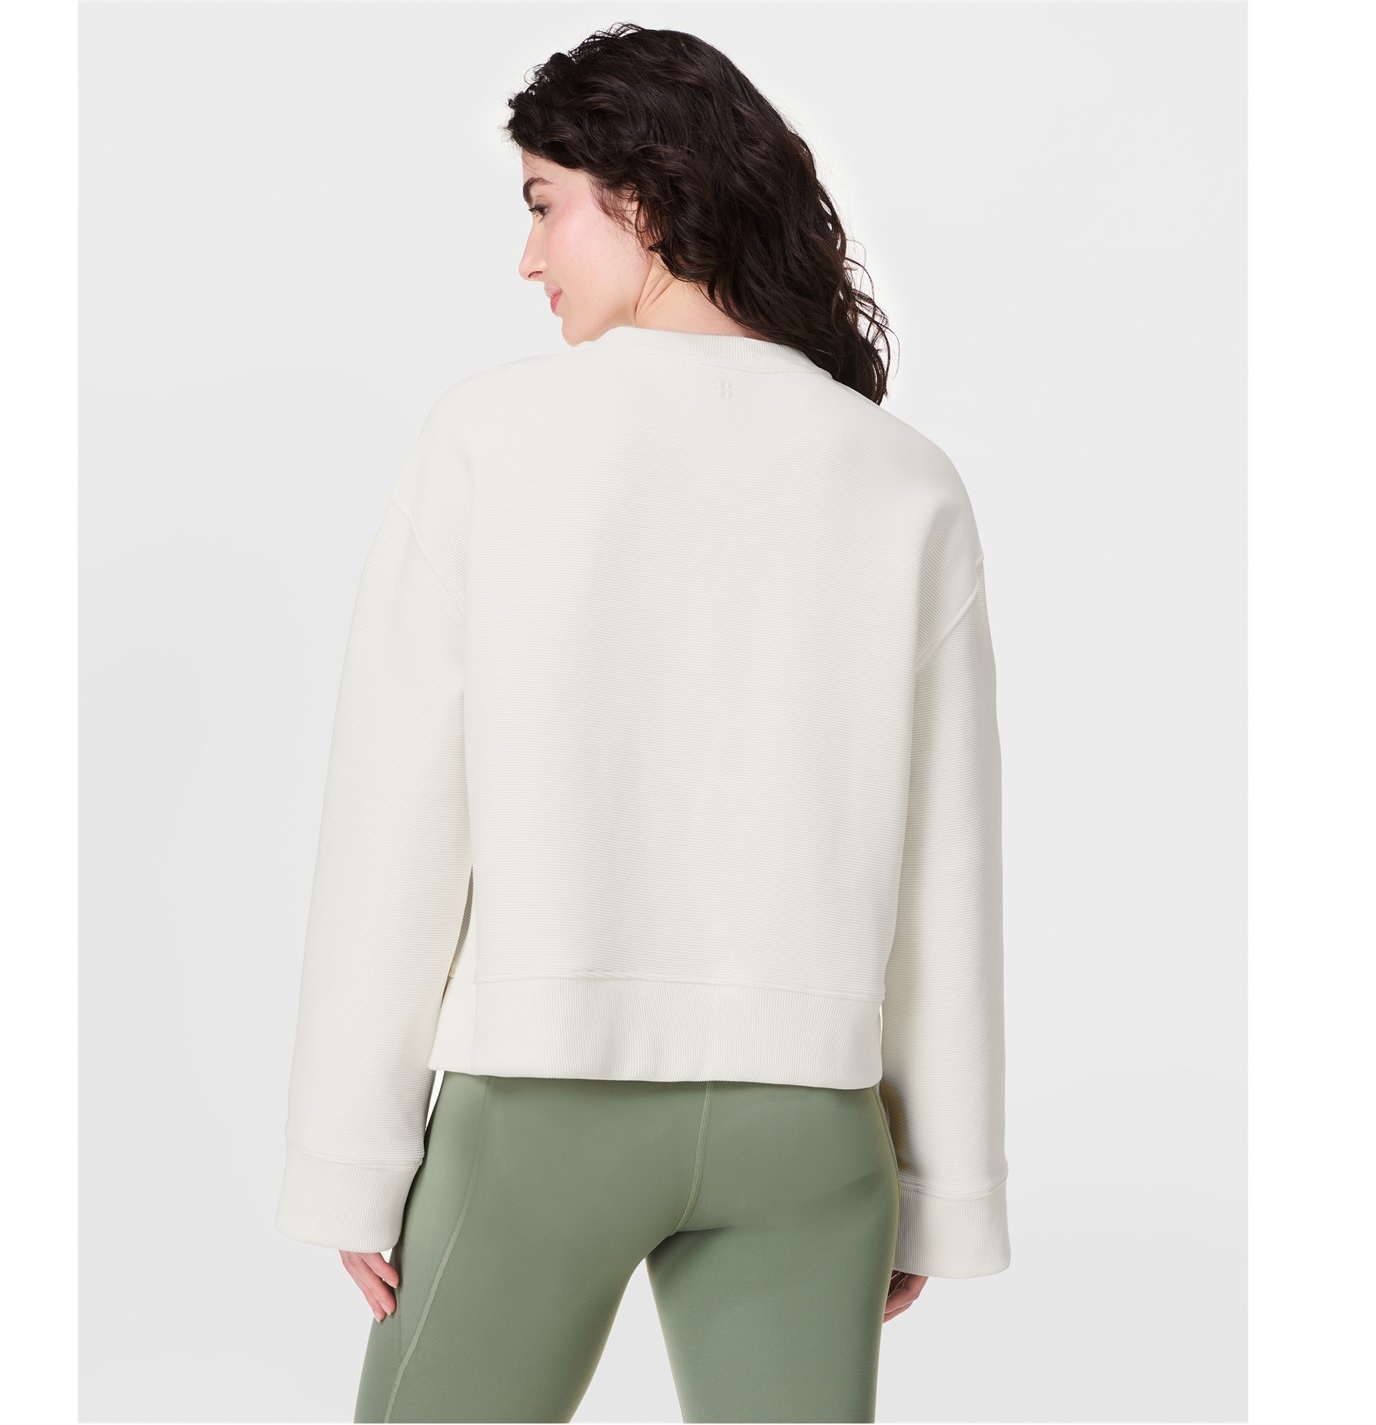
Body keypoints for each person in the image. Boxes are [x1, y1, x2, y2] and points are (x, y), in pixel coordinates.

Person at [275, 21, 1010, 1424]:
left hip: (541, 1108)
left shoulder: (491, 436)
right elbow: (948, 861)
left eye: (544, 203)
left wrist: (351, 1159)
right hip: (815, 1130)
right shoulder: (904, 478)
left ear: (648, 200)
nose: (528, 256)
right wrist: (939, 1182)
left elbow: (397, 817)